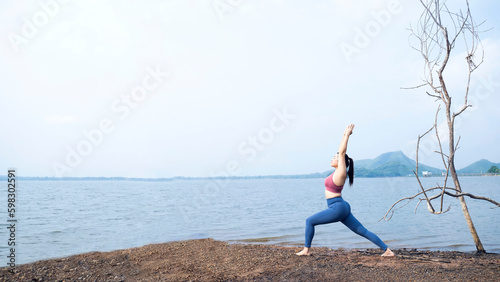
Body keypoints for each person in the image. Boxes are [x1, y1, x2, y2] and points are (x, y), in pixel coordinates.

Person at [296, 124, 394, 257]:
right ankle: (387, 250)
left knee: (309, 221)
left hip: (337, 207)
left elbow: (341, 152)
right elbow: (340, 152)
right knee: (362, 230)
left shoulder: (341, 173)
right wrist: (343, 135)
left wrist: (347, 135)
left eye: (335, 157)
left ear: (342, 162)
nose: (332, 158)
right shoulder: (336, 172)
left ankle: (306, 250)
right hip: (341, 206)